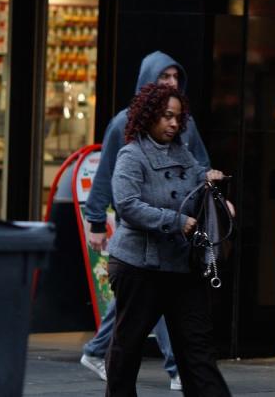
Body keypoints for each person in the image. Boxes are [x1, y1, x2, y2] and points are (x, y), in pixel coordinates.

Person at [81, 51, 212, 391]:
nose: (171, 83)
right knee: (134, 315)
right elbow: (108, 174)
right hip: (142, 241)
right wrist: (96, 220)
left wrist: (215, 195)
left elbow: (200, 169)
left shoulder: (187, 124)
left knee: (139, 314)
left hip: (177, 246)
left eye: (175, 77)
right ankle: (172, 367)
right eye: (164, 76)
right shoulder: (124, 127)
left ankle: (102, 351)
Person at [106, 83, 230, 396]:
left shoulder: (182, 153)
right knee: (128, 345)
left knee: (197, 346)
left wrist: (210, 181)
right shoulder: (131, 155)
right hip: (138, 265)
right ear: (148, 117)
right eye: (166, 116)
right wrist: (174, 221)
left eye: (177, 118)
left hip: (180, 265)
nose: (174, 124)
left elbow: (195, 180)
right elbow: (127, 204)